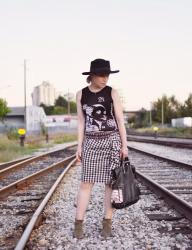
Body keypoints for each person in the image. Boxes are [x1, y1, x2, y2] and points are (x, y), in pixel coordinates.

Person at [74, 58, 128, 239]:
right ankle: (78, 225)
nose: (105, 78)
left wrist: (124, 145)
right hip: (91, 142)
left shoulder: (112, 92)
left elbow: (120, 119)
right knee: (85, 183)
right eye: (102, 75)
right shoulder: (81, 94)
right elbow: (81, 122)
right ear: (92, 76)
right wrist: (79, 146)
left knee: (109, 184)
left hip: (111, 141)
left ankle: (107, 224)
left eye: (107, 75)